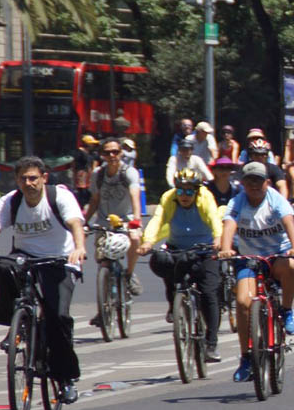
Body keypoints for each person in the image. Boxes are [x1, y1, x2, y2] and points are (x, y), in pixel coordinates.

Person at [0, 156, 87, 403]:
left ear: (44, 178)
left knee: (58, 317)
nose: (28, 183)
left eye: (33, 178)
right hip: (25, 256)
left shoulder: (59, 197)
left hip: (60, 258)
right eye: (23, 178)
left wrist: (79, 247)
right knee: (3, 267)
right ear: (17, 180)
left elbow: (75, 223)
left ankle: (65, 379)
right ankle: (16, 324)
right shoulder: (11, 201)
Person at [218, 162, 294, 382]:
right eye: (249, 181)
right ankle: (246, 357)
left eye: (258, 180)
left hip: (277, 255)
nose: (254, 185)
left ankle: (286, 310)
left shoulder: (276, 199)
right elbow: (229, 225)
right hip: (249, 259)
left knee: (292, 266)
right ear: (243, 183)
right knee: (243, 303)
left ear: (267, 182)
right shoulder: (237, 201)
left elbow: (289, 223)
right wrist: (226, 248)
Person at [138, 169, 223, 362]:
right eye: (181, 190)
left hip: (204, 250)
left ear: (197, 191)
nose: (184, 195)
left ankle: (211, 344)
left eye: (189, 191)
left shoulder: (205, 198)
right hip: (177, 248)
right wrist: (148, 242)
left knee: (209, 293)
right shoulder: (169, 198)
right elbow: (157, 220)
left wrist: (218, 239)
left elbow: (214, 219)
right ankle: (173, 303)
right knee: (160, 260)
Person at [85, 138, 144, 300]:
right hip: (104, 222)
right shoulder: (98, 174)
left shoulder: (129, 172)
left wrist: (136, 220)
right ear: (102, 155)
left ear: (121, 153)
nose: (112, 155)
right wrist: (85, 221)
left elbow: (135, 197)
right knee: (102, 261)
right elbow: (94, 200)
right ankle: (104, 304)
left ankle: (130, 274)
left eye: (115, 152)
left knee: (135, 238)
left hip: (126, 220)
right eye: (107, 152)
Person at [72, 135, 99, 207]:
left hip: (89, 174)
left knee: (88, 191)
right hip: (81, 174)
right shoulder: (79, 152)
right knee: (81, 191)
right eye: (91, 143)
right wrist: (75, 176)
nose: (93, 145)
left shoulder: (92, 153)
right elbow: (74, 165)